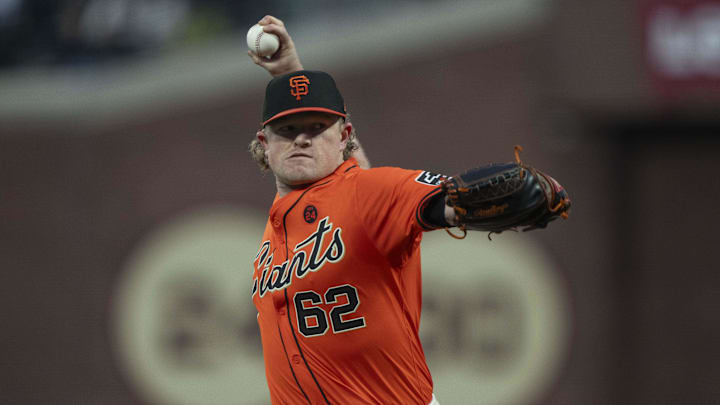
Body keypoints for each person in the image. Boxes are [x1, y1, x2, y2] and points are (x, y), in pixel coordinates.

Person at [247, 15, 568, 405]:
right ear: (264, 143)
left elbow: (429, 201)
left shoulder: (370, 192)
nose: (301, 138)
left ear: (345, 136)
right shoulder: (287, 225)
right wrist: (289, 73)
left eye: (316, 127)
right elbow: (351, 205)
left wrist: (454, 206)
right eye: (286, 130)